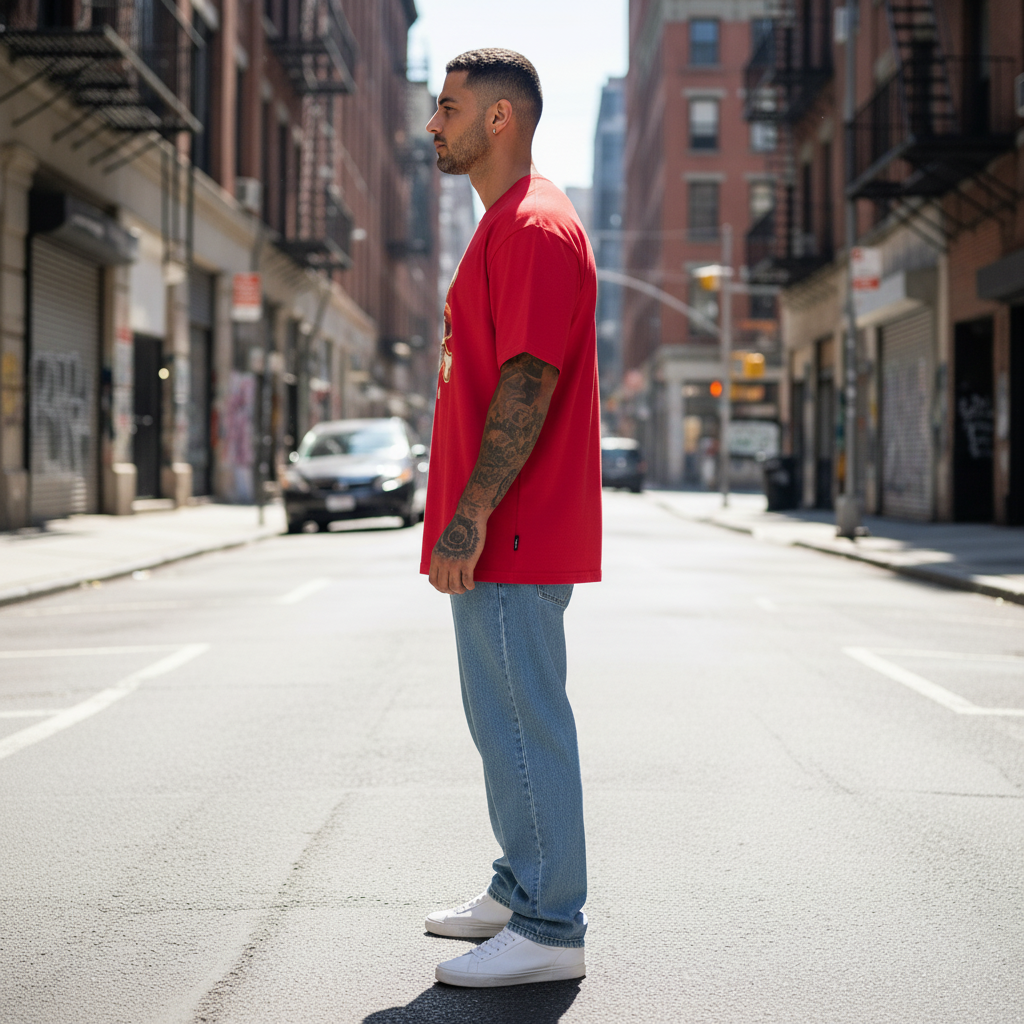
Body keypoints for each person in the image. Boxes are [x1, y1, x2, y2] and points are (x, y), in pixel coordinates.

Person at [420, 48, 602, 988]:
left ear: (500, 119)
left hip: (514, 529)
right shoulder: (504, 223)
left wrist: (473, 513)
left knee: (526, 721)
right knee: (501, 718)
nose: (433, 124)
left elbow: (529, 379)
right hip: (502, 526)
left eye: (447, 108)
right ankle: (518, 885)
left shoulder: (531, 225)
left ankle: (548, 925)